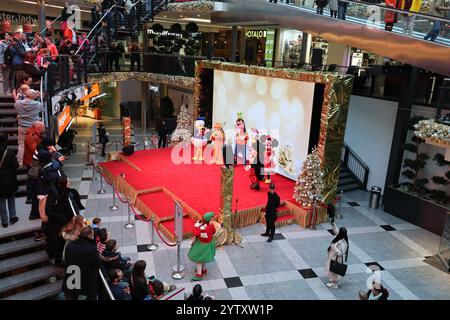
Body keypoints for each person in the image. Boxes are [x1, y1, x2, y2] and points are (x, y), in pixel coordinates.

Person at [44, 176, 76, 266]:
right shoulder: (54, 194)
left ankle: (58, 259)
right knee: (58, 243)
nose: (70, 183)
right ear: (64, 184)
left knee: (61, 242)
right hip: (56, 226)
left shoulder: (65, 192)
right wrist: (62, 217)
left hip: (62, 224)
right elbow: (48, 211)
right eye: (68, 182)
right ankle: (57, 260)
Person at [63, 226, 101, 300]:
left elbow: (67, 259)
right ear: (90, 235)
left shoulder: (70, 245)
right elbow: (97, 264)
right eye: (93, 234)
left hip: (71, 279)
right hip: (84, 283)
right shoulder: (91, 248)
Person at [14, 88, 43, 167]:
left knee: (21, 145)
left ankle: (20, 163)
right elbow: (42, 110)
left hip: (22, 126)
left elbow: (16, 108)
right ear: (33, 96)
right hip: (34, 128)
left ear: (25, 95)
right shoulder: (38, 104)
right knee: (35, 144)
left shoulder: (18, 103)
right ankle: (35, 162)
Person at [188, 212, 216, 281]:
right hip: (209, 243)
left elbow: (196, 233)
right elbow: (214, 232)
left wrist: (196, 225)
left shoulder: (202, 228)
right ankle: (204, 269)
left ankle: (199, 275)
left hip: (202, 245)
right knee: (204, 257)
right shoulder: (211, 225)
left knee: (199, 260)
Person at [24, 121, 45, 208]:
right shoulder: (31, 137)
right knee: (31, 180)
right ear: (37, 128)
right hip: (31, 162)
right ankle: (30, 197)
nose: (43, 130)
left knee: (32, 179)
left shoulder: (35, 135)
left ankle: (31, 196)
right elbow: (34, 149)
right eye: (42, 129)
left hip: (32, 161)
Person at [0, 134, 19, 228]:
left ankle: (4, 221)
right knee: (11, 198)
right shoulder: (10, 152)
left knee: (1, 200)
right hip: (10, 179)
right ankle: (13, 217)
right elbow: (16, 165)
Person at [325, 224, 349, 289]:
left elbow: (341, 253)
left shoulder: (343, 243)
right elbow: (336, 230)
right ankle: (333, 280)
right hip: (333, 257)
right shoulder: (341, 236)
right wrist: (334, 225)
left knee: (335, 271)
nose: (338, 232)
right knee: (332, 270)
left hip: (337, 259)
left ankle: (334, 284)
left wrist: (334, 248)